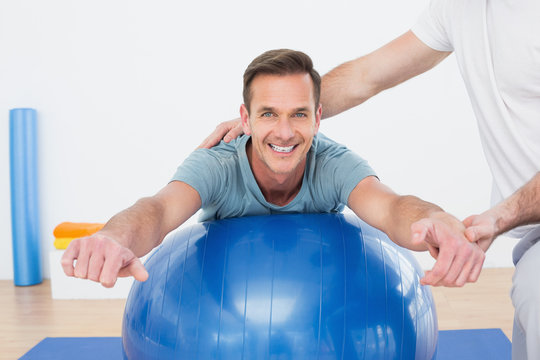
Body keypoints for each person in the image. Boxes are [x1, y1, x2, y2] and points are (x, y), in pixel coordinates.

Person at [199, 1, 540, 358]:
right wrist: (279, 119)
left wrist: (501, 216)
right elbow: (366, 77)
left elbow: (391, 207)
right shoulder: (461, 9)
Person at [62, 49, 484, 299]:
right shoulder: (217, 163)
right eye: (268, 114)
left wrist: (435, 219)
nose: (284, 132)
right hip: (222, 303)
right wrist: (114, 238)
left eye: (299, 114)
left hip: (325, 300)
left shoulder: (334, 163)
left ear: (318, 117)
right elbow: (157, 209)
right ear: (245, 118)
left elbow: (392, 207)